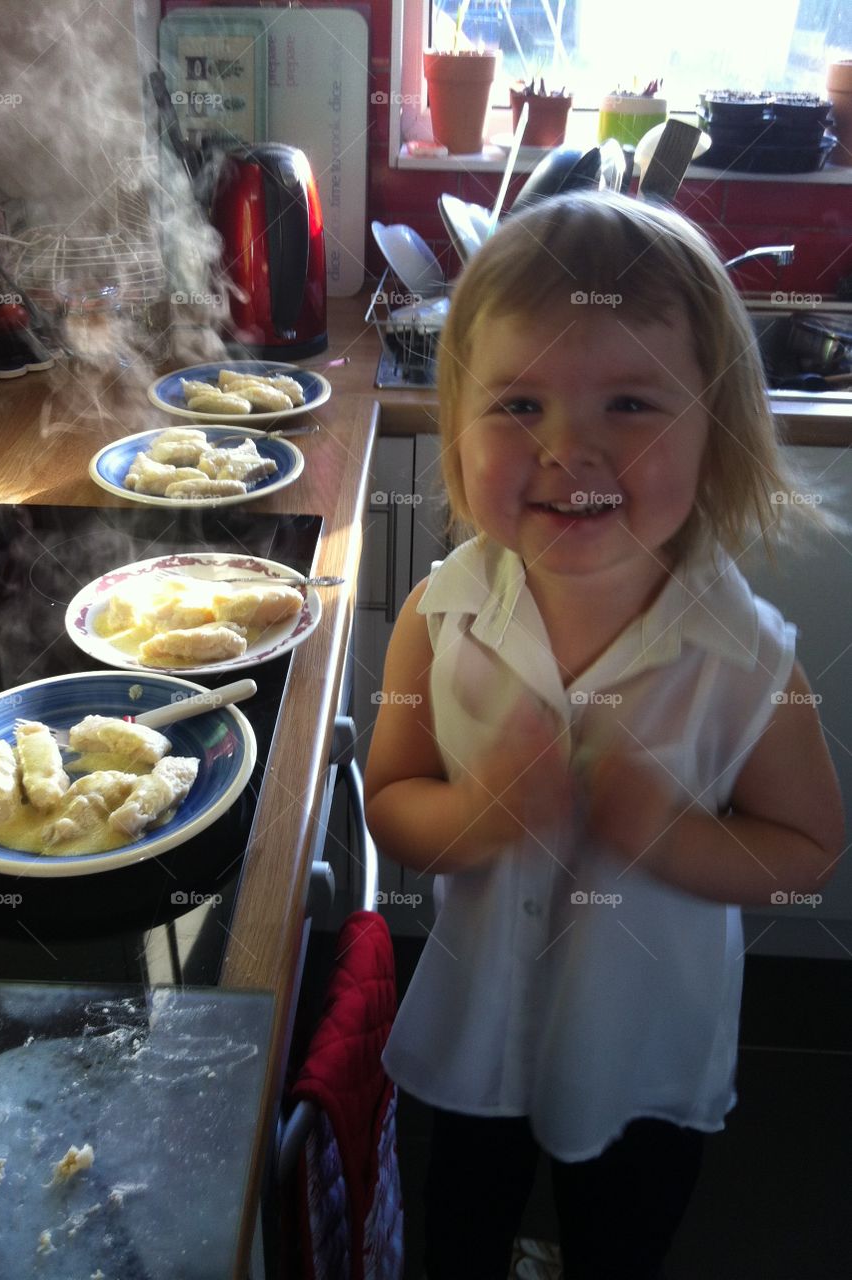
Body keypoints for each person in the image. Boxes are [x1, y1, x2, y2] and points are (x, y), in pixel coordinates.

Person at [363, 191, 845, 1280]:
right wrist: (473, 815)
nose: (569, 449)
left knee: (619, 1243)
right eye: (519, 403)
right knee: (460, 1234)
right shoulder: (440, 614)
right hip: (478, 1029)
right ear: (456, 424)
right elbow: (390, 802)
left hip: (642, 1059)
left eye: (631, 403)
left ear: (712, 427)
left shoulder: (744, 656)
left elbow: (810, 846)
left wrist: (670, 833)